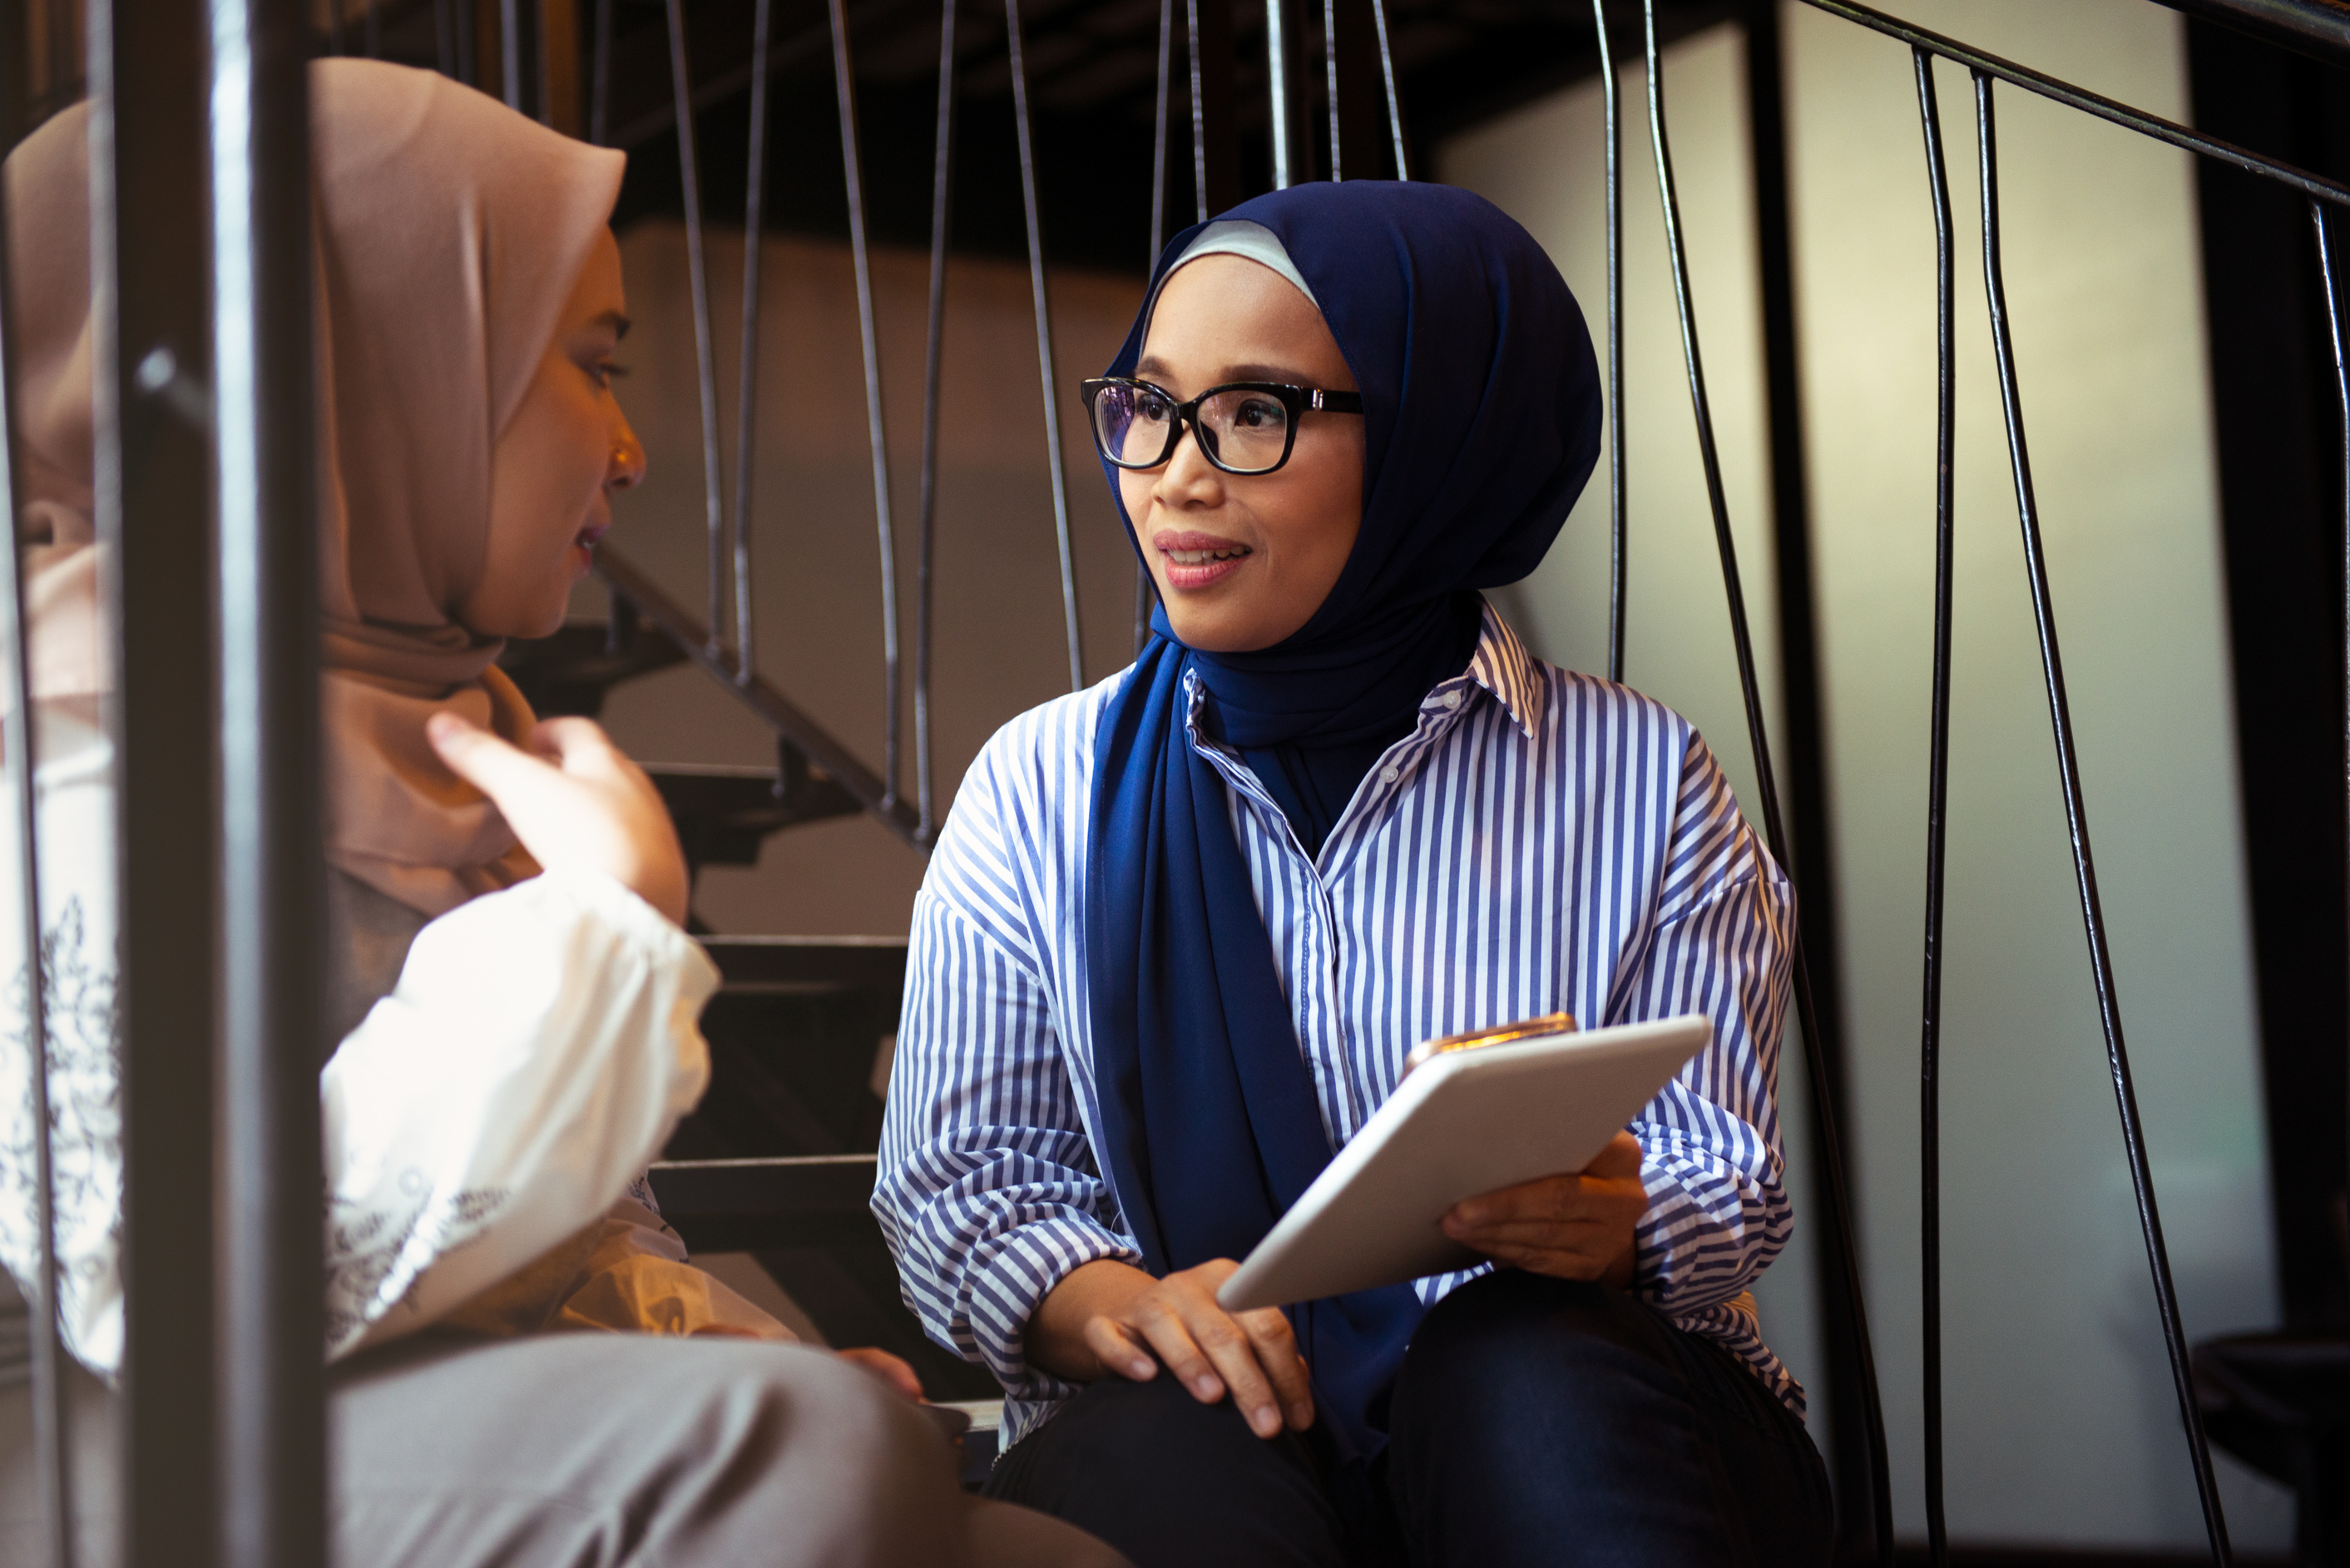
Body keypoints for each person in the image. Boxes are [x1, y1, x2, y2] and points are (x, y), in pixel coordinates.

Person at [0, 59, 1123, 1568]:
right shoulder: (67, 726)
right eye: (591, 361)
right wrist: (595, 931)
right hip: (85, 1445)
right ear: (367, 370)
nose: (631, 448)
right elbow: (167, 1298)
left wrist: (712, 1353)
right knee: (813, 1459)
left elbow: (564, 1247)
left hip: (353, 1402)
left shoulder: (443, 729)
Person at [873, 181, 1833, 1566]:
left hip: (1573, 1400)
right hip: (1198, 1418)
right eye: (1146, 404)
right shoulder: (1040, 786)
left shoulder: (1639, 774)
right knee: (1177, 1431)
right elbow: (961, 1181)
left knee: (1512, 1367)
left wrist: (1615, 1216)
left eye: (1254, 413)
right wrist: (1110, 1300)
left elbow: (1725, 1170)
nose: (1175, 472)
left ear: (1448, 437)